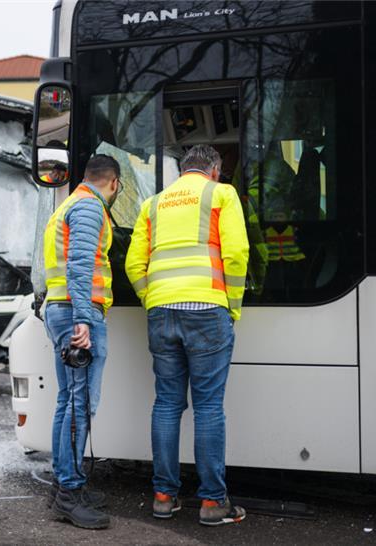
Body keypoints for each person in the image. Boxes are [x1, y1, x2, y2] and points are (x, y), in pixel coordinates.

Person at [125, 144, 249, 526]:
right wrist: (233, 304)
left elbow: (134, 263)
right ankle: (212, 503)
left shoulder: (154, 204)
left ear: (182, 171)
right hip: (207, 309)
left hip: (162, 313)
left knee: (166, 404)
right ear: (213, 170)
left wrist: (152, 297)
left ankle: (164, 497)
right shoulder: (221, 194)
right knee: (208, 407)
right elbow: (237, 253)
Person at [42, 154, 121, 530]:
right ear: (114, 183)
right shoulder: (90, 207)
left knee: (68, 400)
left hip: (61, 308)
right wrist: (84, 321)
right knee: (81, 403)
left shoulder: (69, 205)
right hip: (77, 311)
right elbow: (79, 264)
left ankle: (64, 483)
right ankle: (69, 494)